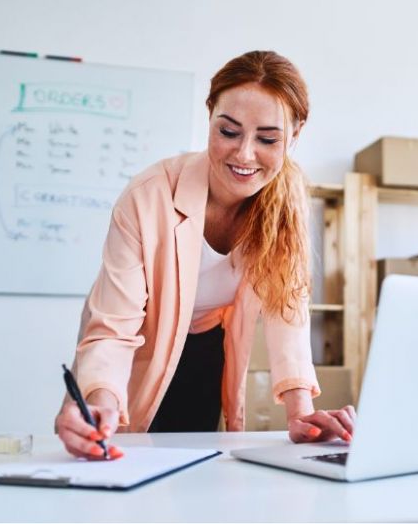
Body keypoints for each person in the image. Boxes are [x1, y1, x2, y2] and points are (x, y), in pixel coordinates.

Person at [55, 50, 356, 460]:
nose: (245, 154)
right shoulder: (148, 196)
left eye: (268, 139)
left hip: (206, 345)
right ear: (210, 114)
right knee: (119, 448)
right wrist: (101, 395)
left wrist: (301, 412)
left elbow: (289, 308)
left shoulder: (288, 202)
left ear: (295, 133)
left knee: (190, 468)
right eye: (228, 132)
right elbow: (114, 325)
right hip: (139, 343)